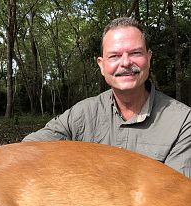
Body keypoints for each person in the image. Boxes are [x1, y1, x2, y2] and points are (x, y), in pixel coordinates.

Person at [23, 17, 191, 178]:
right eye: (114, 56)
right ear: (102, 65)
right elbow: (26, 150)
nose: (125, 62)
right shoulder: (82, 114)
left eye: (135, 52)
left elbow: (176, 196)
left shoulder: (181, 122)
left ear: (148, 58)